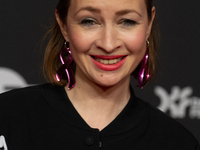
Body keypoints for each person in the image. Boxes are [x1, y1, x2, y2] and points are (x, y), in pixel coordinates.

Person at [0, 0, 199, 149]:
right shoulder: (7, 117)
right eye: (89, 21)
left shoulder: (177, 143)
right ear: (63, 25)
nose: (108, 44)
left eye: (127, 21)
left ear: (148, 24)